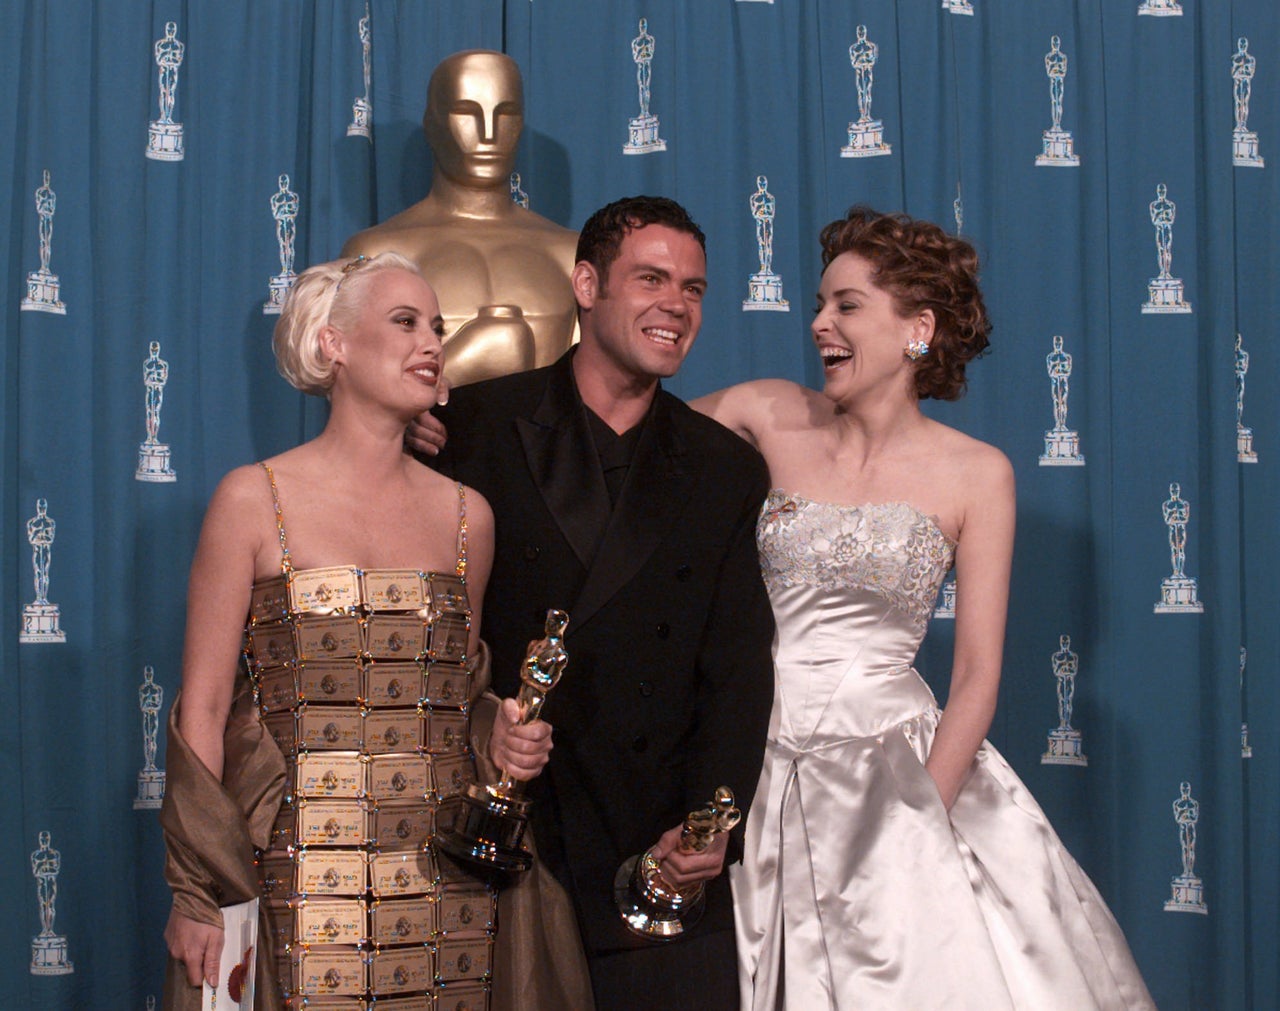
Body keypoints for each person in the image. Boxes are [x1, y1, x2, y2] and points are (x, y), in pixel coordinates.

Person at [693, 207, 1155, 1009]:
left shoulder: (978, 474)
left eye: (846, 305)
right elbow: (617, 431)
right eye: (818, 303)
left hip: (895, 770)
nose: (818, 324)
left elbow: (976, 674)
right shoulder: (767, 413)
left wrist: (916, 820)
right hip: (751, 757)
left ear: (919, 329)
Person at [412, 195, 776, 1009]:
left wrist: (712, 827)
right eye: (651, 278)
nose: (676, 305)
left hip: (650, 852)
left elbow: (738, 670)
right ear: (585, 283)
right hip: (506, 842)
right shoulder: (471, 425)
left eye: (694, 288)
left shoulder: (725, 468)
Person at [159, 252, 549, 1009]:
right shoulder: (251, 499)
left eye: (437, 326)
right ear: (332, 343)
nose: (431, 342)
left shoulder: (470, 515)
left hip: (448, 889)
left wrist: (502, 736)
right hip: (293, 880)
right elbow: (203, 710)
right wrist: (195, 887)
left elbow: (460, 698)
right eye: (405, 322)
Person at [343, 49, 578, 387]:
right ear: (432, 123)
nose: (488, 133)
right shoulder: (379, 251)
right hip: (423, 439)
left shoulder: (571, 254)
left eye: (506, 114)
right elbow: (353, 388)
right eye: (466, 112)